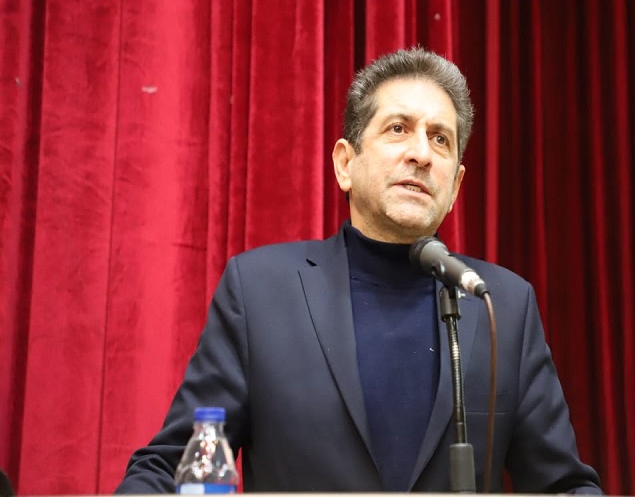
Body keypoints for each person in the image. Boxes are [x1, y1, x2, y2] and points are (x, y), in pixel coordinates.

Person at [115, 47, 602, 494]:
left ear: (455, 186)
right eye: (398, 129)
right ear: (345, 164)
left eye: (440, 139)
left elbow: (564, 486)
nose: (421, 153)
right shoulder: (261, 292)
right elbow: (169, 470)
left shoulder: (501, 306)